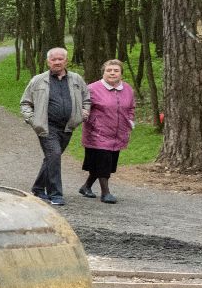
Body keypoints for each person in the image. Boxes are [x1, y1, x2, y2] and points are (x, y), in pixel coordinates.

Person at [19, 46, 91, 206]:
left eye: (60, 59)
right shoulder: (38, 80)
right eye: (53, 59)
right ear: (48, 62)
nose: (57, 62)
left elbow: (86, 98)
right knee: (55, 155)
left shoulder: (76, 79)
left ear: (66, 61)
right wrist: (33, 119)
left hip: (68, 127)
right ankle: (55, 194)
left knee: (52, 158)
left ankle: (38, 188)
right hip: (46, 127)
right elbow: (25, 103)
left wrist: (84, 112)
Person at [79, 59, 134, 204]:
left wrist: (130, 121)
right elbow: (83, 107)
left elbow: (131, 108)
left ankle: (86, 187)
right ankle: (105, 193)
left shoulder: (127, 89)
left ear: (121, 73)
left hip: (118, 133)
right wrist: (90, 120)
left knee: (106, 163)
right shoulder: (92, 88)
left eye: (116, 70)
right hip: (97, 133)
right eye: (109, 70)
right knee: (103, 163)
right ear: (103, 72)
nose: (112, 73)